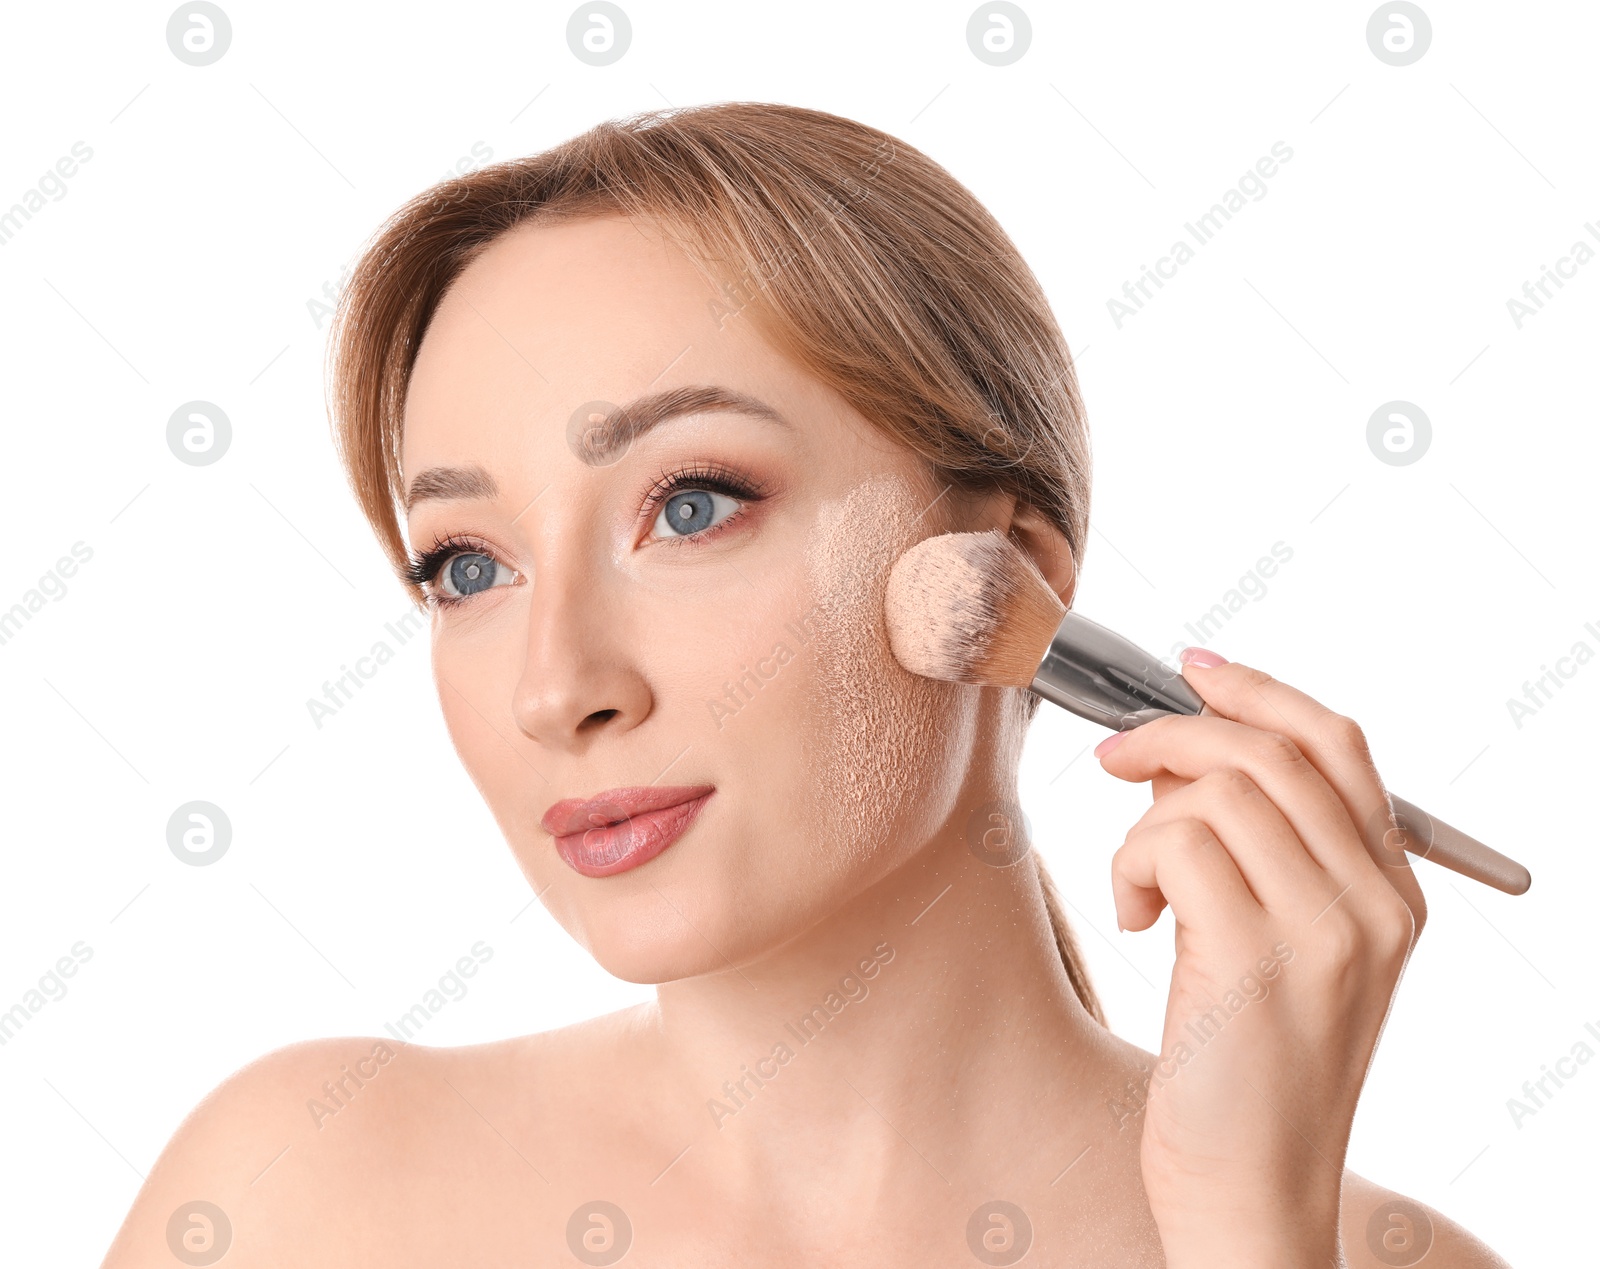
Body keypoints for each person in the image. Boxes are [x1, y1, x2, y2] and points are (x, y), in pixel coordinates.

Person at [101, 102, 1510, 1267]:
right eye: (469, 567)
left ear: (1003, 566)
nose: (555, 689)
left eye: (695, 504)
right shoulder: (294, 1193)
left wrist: (1247, 1231)